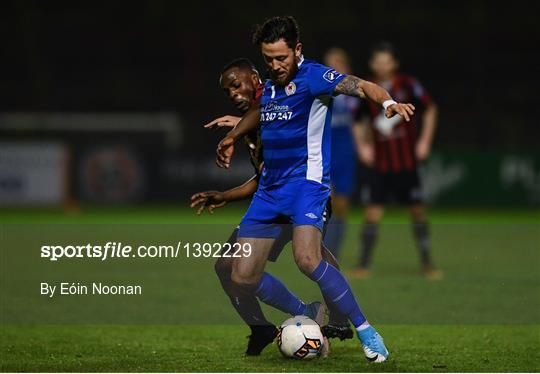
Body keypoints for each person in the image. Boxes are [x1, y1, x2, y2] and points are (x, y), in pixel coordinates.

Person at [215, 16, 415, 362]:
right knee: (242, 275)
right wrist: (233, 135)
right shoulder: (272, 85)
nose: (276, 66)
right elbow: (261, 112)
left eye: (281, 58)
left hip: (306, 185)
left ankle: (367, 331)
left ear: (297, 50)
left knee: (308, 258)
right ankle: (306, 309)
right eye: (269, 59)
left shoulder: (315, 77)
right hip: (269, 191)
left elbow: (363, 85)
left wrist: (387, 104)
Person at [190, 58, 352, 356]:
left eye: (237, 85)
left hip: (303, 192)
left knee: (311, 257)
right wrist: (225, 195)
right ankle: (266, 326)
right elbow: (262, 178)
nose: (234, 94)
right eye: (228, 92)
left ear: (254, 78)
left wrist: (237, 130)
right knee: (227, 266)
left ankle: (334, 315)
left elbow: (276, 110)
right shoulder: (255, 119)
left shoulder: (277, 101)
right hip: (272, 200)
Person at [352, 42, 442, 280]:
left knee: (417, 212)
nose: (382, 65)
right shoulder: (366, 88)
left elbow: (431, 109)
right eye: (378, 61)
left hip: (406, 162)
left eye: (386, 60)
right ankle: (363, 264)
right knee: (372, 213)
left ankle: (427, 263)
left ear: (394, 63)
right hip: (380, 164)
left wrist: (425, 141)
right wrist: (362, 145)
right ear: (372, 64)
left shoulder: (409, 85)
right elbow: (357, 119)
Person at [322, 48, 360, 258]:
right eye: (329, 63)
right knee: (328, 200)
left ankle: (333, 251)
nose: (333, 67)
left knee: (342, 205)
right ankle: (323, 250)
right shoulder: (321, 92)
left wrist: (363, 147)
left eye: (337, 63)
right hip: (326, 151)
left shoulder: (355, 95)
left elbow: (362, 125)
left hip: (345, 153)